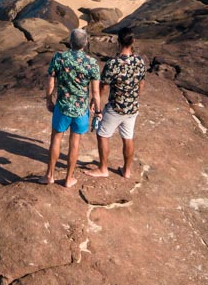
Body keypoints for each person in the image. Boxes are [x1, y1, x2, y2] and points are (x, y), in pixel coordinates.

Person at [86, 27, 147, 180]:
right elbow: (141, 84)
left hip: (115, 108)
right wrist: (134, 98)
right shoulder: (139, 61)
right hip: (132, 108)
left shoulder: (113, 63)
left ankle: (103, 169)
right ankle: (126, 171)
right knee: (128, 137)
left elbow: (104, 86)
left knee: (102, 134)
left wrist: (96, 100)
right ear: (133, 41)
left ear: (118, 42)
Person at [44, 28, 100, 189]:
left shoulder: (59, 57)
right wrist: (97, 110)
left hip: (62, 106)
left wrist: (49, 99)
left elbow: (51, 82)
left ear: (70, 41)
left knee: (56, 139)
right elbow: (95, 92)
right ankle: (69, 179)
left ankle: (50, 175)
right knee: (75, 143)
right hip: (81, 109)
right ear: (86, 43)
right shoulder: (92, 63)